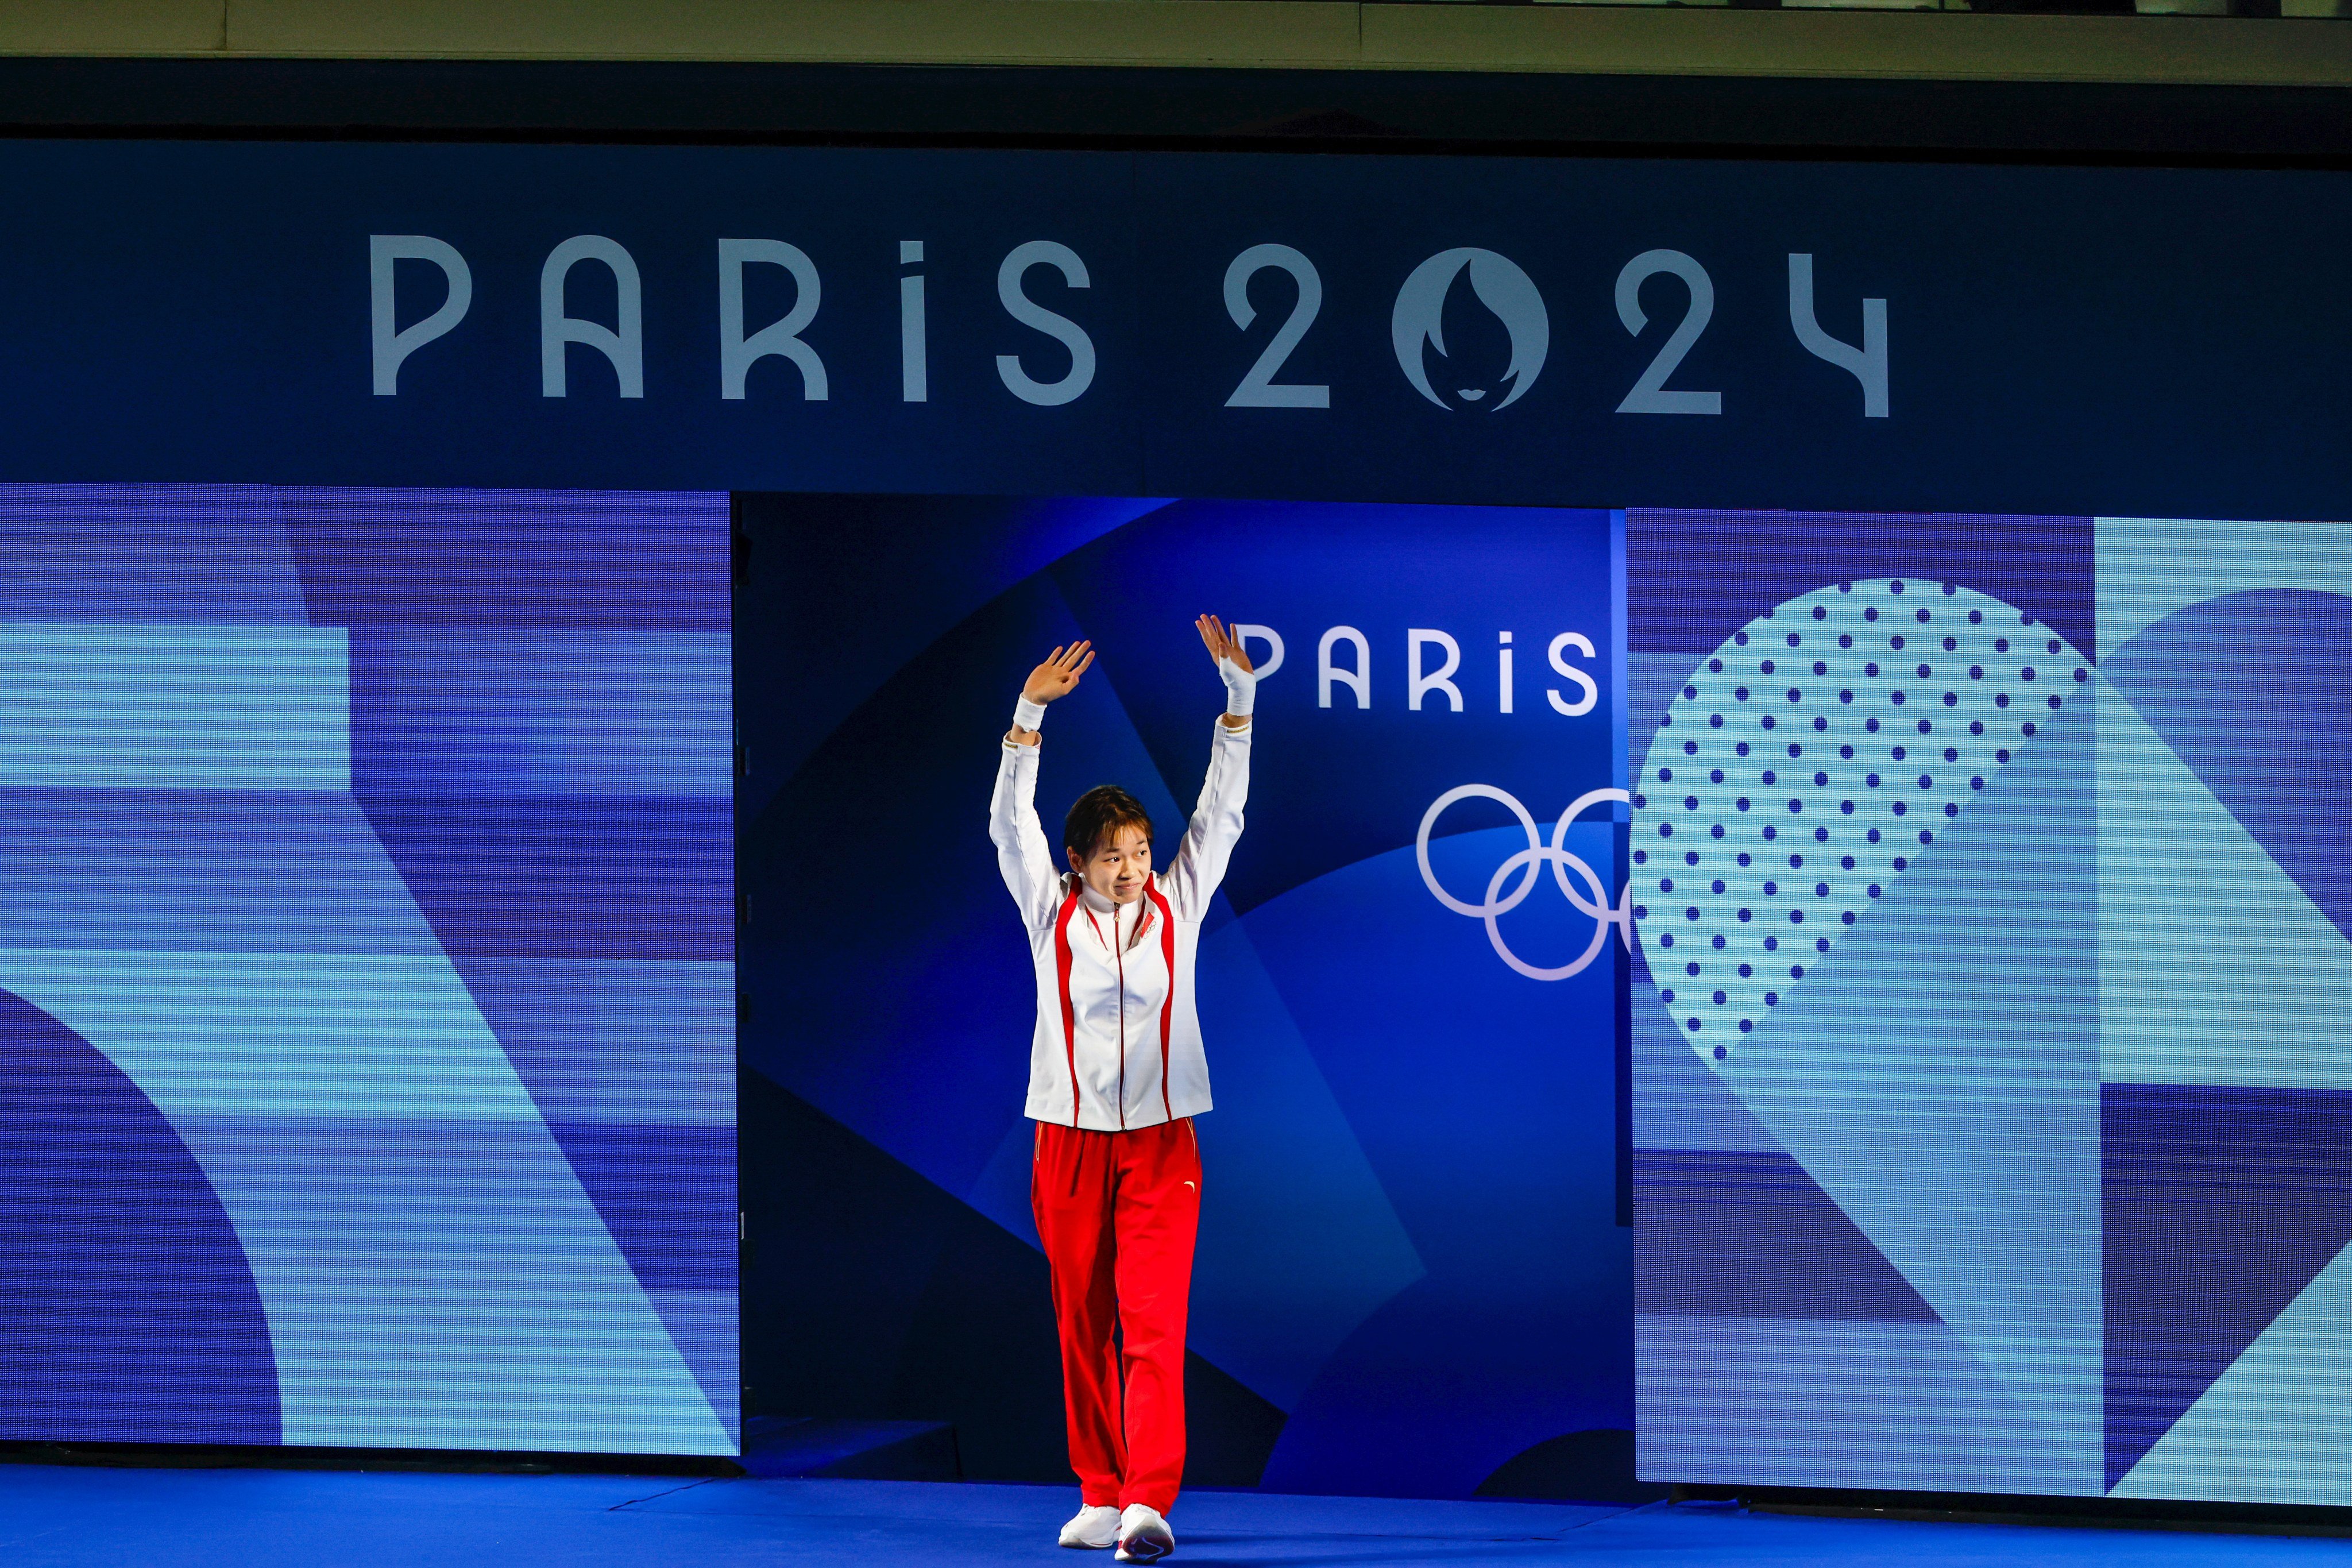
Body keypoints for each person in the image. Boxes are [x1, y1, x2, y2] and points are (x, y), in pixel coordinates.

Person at [988, 616, 1256, 1564]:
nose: (1134, 867)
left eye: (1141, 850)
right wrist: (1027, 716)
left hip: (1160, 1143)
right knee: (1081, 1318)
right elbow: (1006, 825)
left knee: (1152, 1318)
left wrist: (1239, 699)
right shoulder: (1046, 909)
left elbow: (1220, 811)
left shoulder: (1177, 904)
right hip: (1065, 1138)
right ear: (1079, 862)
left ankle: (1148, 1500)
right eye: (1114, 854)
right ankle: (1099, 1492)